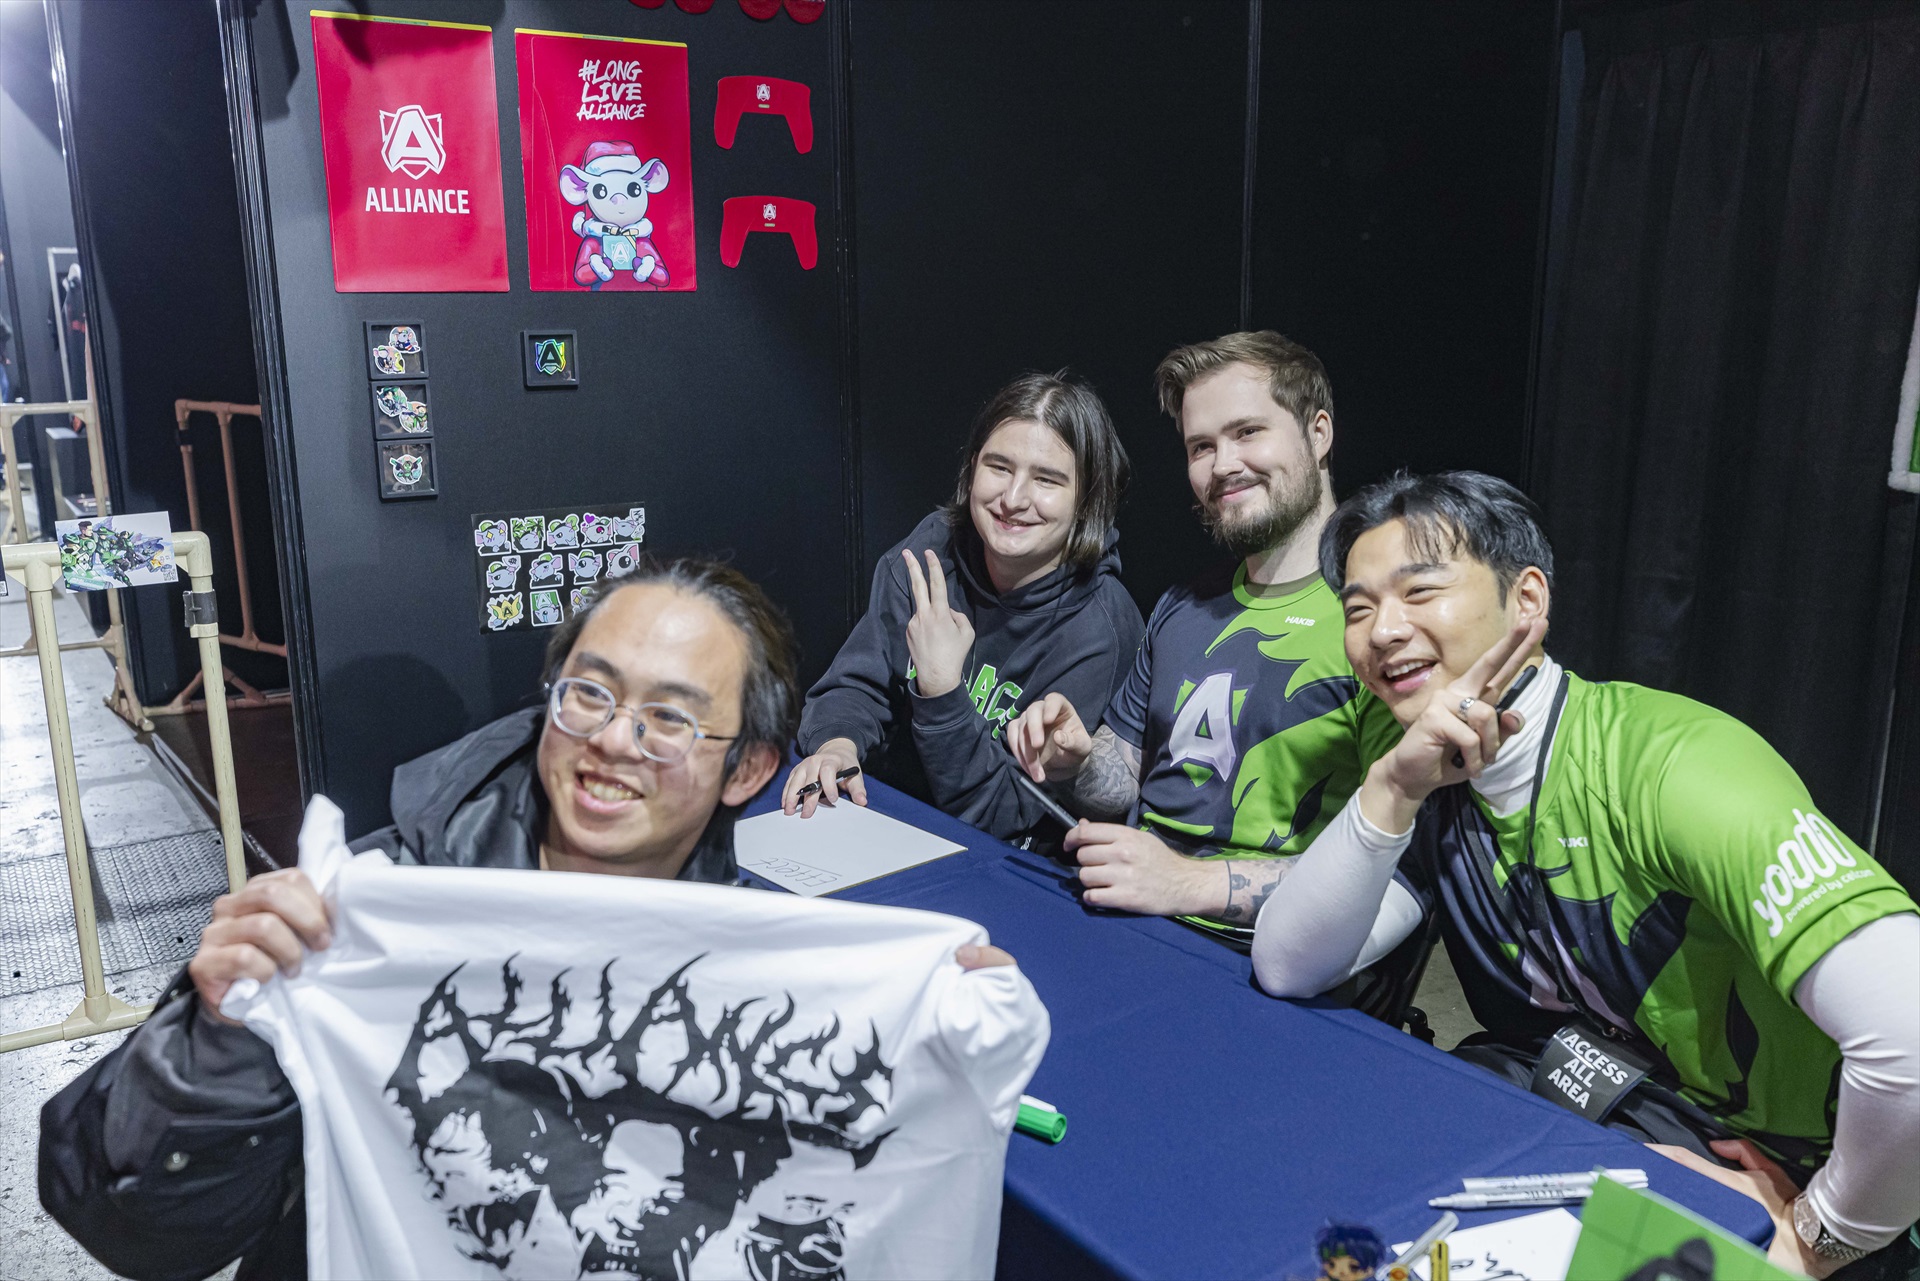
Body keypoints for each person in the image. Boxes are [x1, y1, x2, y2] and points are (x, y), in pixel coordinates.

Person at [40, 557, 1017, 1280]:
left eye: (671, 718)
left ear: (749, 767)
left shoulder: (755, 985)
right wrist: (216, 1044)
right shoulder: (371, 917)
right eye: (590, 693)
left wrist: (925, 1039)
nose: (616, 739)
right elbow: (130, 1233)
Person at [1252, 471, 1920, 1278]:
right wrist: (1392, 786)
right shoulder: (1425, 769)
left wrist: (1820, 1235)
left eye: (1419, 590)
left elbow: (1909, 1030)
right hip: (1606, 1106)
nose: (1383, 631)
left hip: (1801, 1163)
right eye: (1358, 609)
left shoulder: (1671, 765)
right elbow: (1287, 964)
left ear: (1527, 600)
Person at [1008, 332, 1400, 936]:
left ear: (1318, 433)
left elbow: (1395, 872)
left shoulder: (1382, 622)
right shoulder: (1181, 607)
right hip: (1122, 919)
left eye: (1247, 432)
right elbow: (1120, 782)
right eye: (1201, 446)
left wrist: (1186, 883)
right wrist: (1076, 760)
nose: (1223, 465)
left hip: (1258, 959)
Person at [784, 370, 1143, 843]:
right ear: (972, 467)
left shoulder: (1100, 629)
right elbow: (856, 683)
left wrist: (941, 691)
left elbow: (999, 812)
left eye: (1046, 480)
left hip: (994, 856)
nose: (1013, 499)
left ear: (1086, 499)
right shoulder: (934, 549)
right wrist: (837, 746)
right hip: (890, 819)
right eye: (999, 467)